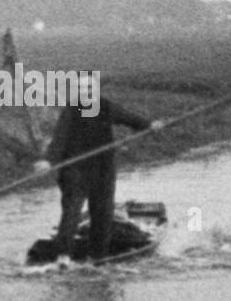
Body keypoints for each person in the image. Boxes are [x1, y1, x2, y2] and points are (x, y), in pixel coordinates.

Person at [34, 73, 162, 260]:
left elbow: (130, 118)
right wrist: (48, 160)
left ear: (96, 90)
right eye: (81, 89)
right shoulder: (71, 111)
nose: (85, 93)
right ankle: (62, 257)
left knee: (102, 213)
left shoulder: (106, 107)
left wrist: (150, 125)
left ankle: (98, 257)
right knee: (71, 213)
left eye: (88, 89)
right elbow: (59, 139)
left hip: (103, 170)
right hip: (75, 170)